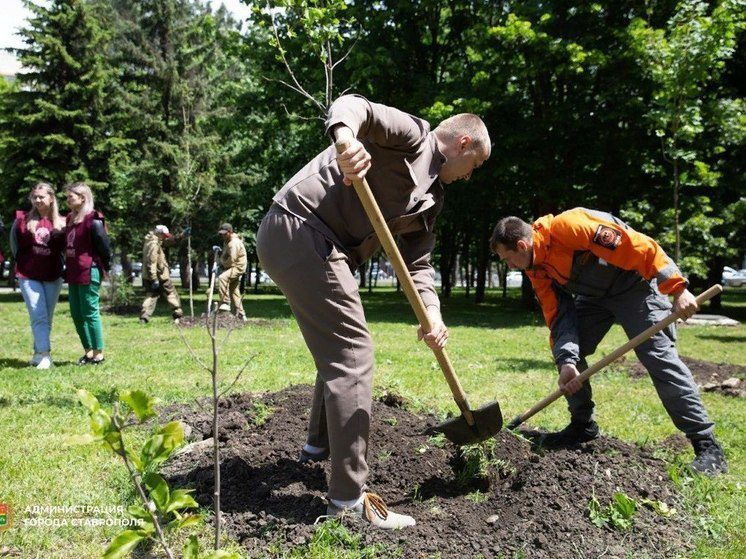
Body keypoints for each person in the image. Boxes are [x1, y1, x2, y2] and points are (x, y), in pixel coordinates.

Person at [256, 94, 490, 528]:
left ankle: (318, 447)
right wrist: (345, 139)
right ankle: (348, 502)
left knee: (339, 351)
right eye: (473, 167)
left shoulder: (432, 198)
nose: (468, 177)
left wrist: (433, 315)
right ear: (462, 143)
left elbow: (418, 264)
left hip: (317, 243)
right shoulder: (414, 136)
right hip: (301, 226)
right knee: (353, 356)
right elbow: (352, 105)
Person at [490, 208, 728, 475]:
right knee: (565, 349)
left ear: (522, 245)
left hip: (634, 287)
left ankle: (707, 445)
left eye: (508, 258)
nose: (509, 265)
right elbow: (559, 316)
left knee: (658, 357)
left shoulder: (569, 227)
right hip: (594, 298)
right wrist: (568, 361)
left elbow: (635, 245)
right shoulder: (536, 268)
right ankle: (583, 426)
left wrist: (677, 288)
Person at [10, 183, 66, 369]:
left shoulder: (63, 222)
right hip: (28, 274)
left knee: (46, 317)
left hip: (53, 274)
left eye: (42, 196)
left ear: (51, 198)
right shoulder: (23, 220)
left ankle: (37, 353)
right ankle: (45, 355)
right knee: (38, 313)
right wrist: (21, 264)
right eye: (35, 197)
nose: (38, 200)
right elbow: (14, 244)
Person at [64, 182, 112, 365]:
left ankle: (99, 353)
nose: (68, 200)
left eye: (71, 196)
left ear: (82, 198)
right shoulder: (70, 218)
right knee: (76, 313)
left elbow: (104, 245)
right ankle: (88, 351)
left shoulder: (93, 219)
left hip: (89, 270)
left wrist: (105, 266)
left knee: (90, 312)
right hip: (73, 271)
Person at [140, 224, 186, 324]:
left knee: (151, 295)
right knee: (171, 293)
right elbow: (151, 262)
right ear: (159, 233)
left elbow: (168, 241)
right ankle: (178, 315)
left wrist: (181, 235)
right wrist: (154, 278)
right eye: (164, 235)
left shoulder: (151, 240)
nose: (165, 237)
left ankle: (144, 318)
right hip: (159, 275)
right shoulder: (154, 244)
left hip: (149, 275)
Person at [216, 223, 247, 320]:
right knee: (234, 291)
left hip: (237, 267)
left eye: (225, 234)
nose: (223, 236)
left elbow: (232, 259)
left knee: (222, 278)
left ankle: (225, 302)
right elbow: (225, 256)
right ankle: (241, 314)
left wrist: (222, 264)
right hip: (232, 267)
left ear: (230, 232)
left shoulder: (234, 243)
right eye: (221, 234)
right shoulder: (227, 241)